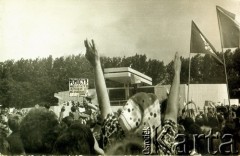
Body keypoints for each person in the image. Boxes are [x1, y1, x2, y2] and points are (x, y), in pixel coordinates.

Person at [84, 39, 181, 155]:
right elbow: (172, 113)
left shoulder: (115, 142)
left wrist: (96, 64)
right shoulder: (165, 148)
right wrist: (177, 73)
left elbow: (104, 107)